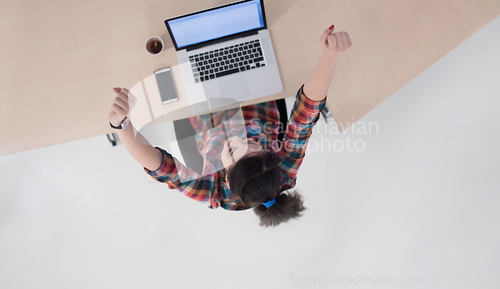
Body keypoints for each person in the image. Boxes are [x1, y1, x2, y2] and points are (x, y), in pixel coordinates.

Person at [108, 25, 352, 227]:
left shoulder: (216, 194)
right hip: (255, 90)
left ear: (225, 178)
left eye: (233, 152)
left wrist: (121, 124)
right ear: (270, 157)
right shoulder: (283, 171)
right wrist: (329, 56)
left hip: (207, 102)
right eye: (253, 144)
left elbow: (162, 169)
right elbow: (305, 117)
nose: (240, 138)